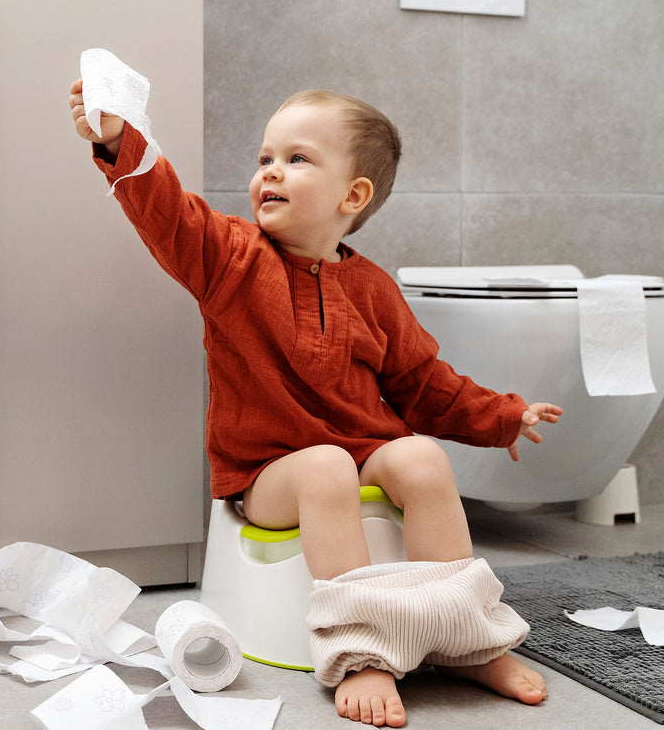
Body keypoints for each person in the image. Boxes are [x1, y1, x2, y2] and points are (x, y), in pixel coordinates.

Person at [69, 79, 561, 728]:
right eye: (265, 158)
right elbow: (168, 212)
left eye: (297, 159)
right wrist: (115, 140)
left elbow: (422, 382)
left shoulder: (375, 289)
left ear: (352, 197)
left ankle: (462, 638)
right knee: (326, 465)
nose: (270, 171)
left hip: (357, 451)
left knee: (419, 458)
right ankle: (361, 653)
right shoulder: (230, 258)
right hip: (268, 471)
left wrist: (500, 415)